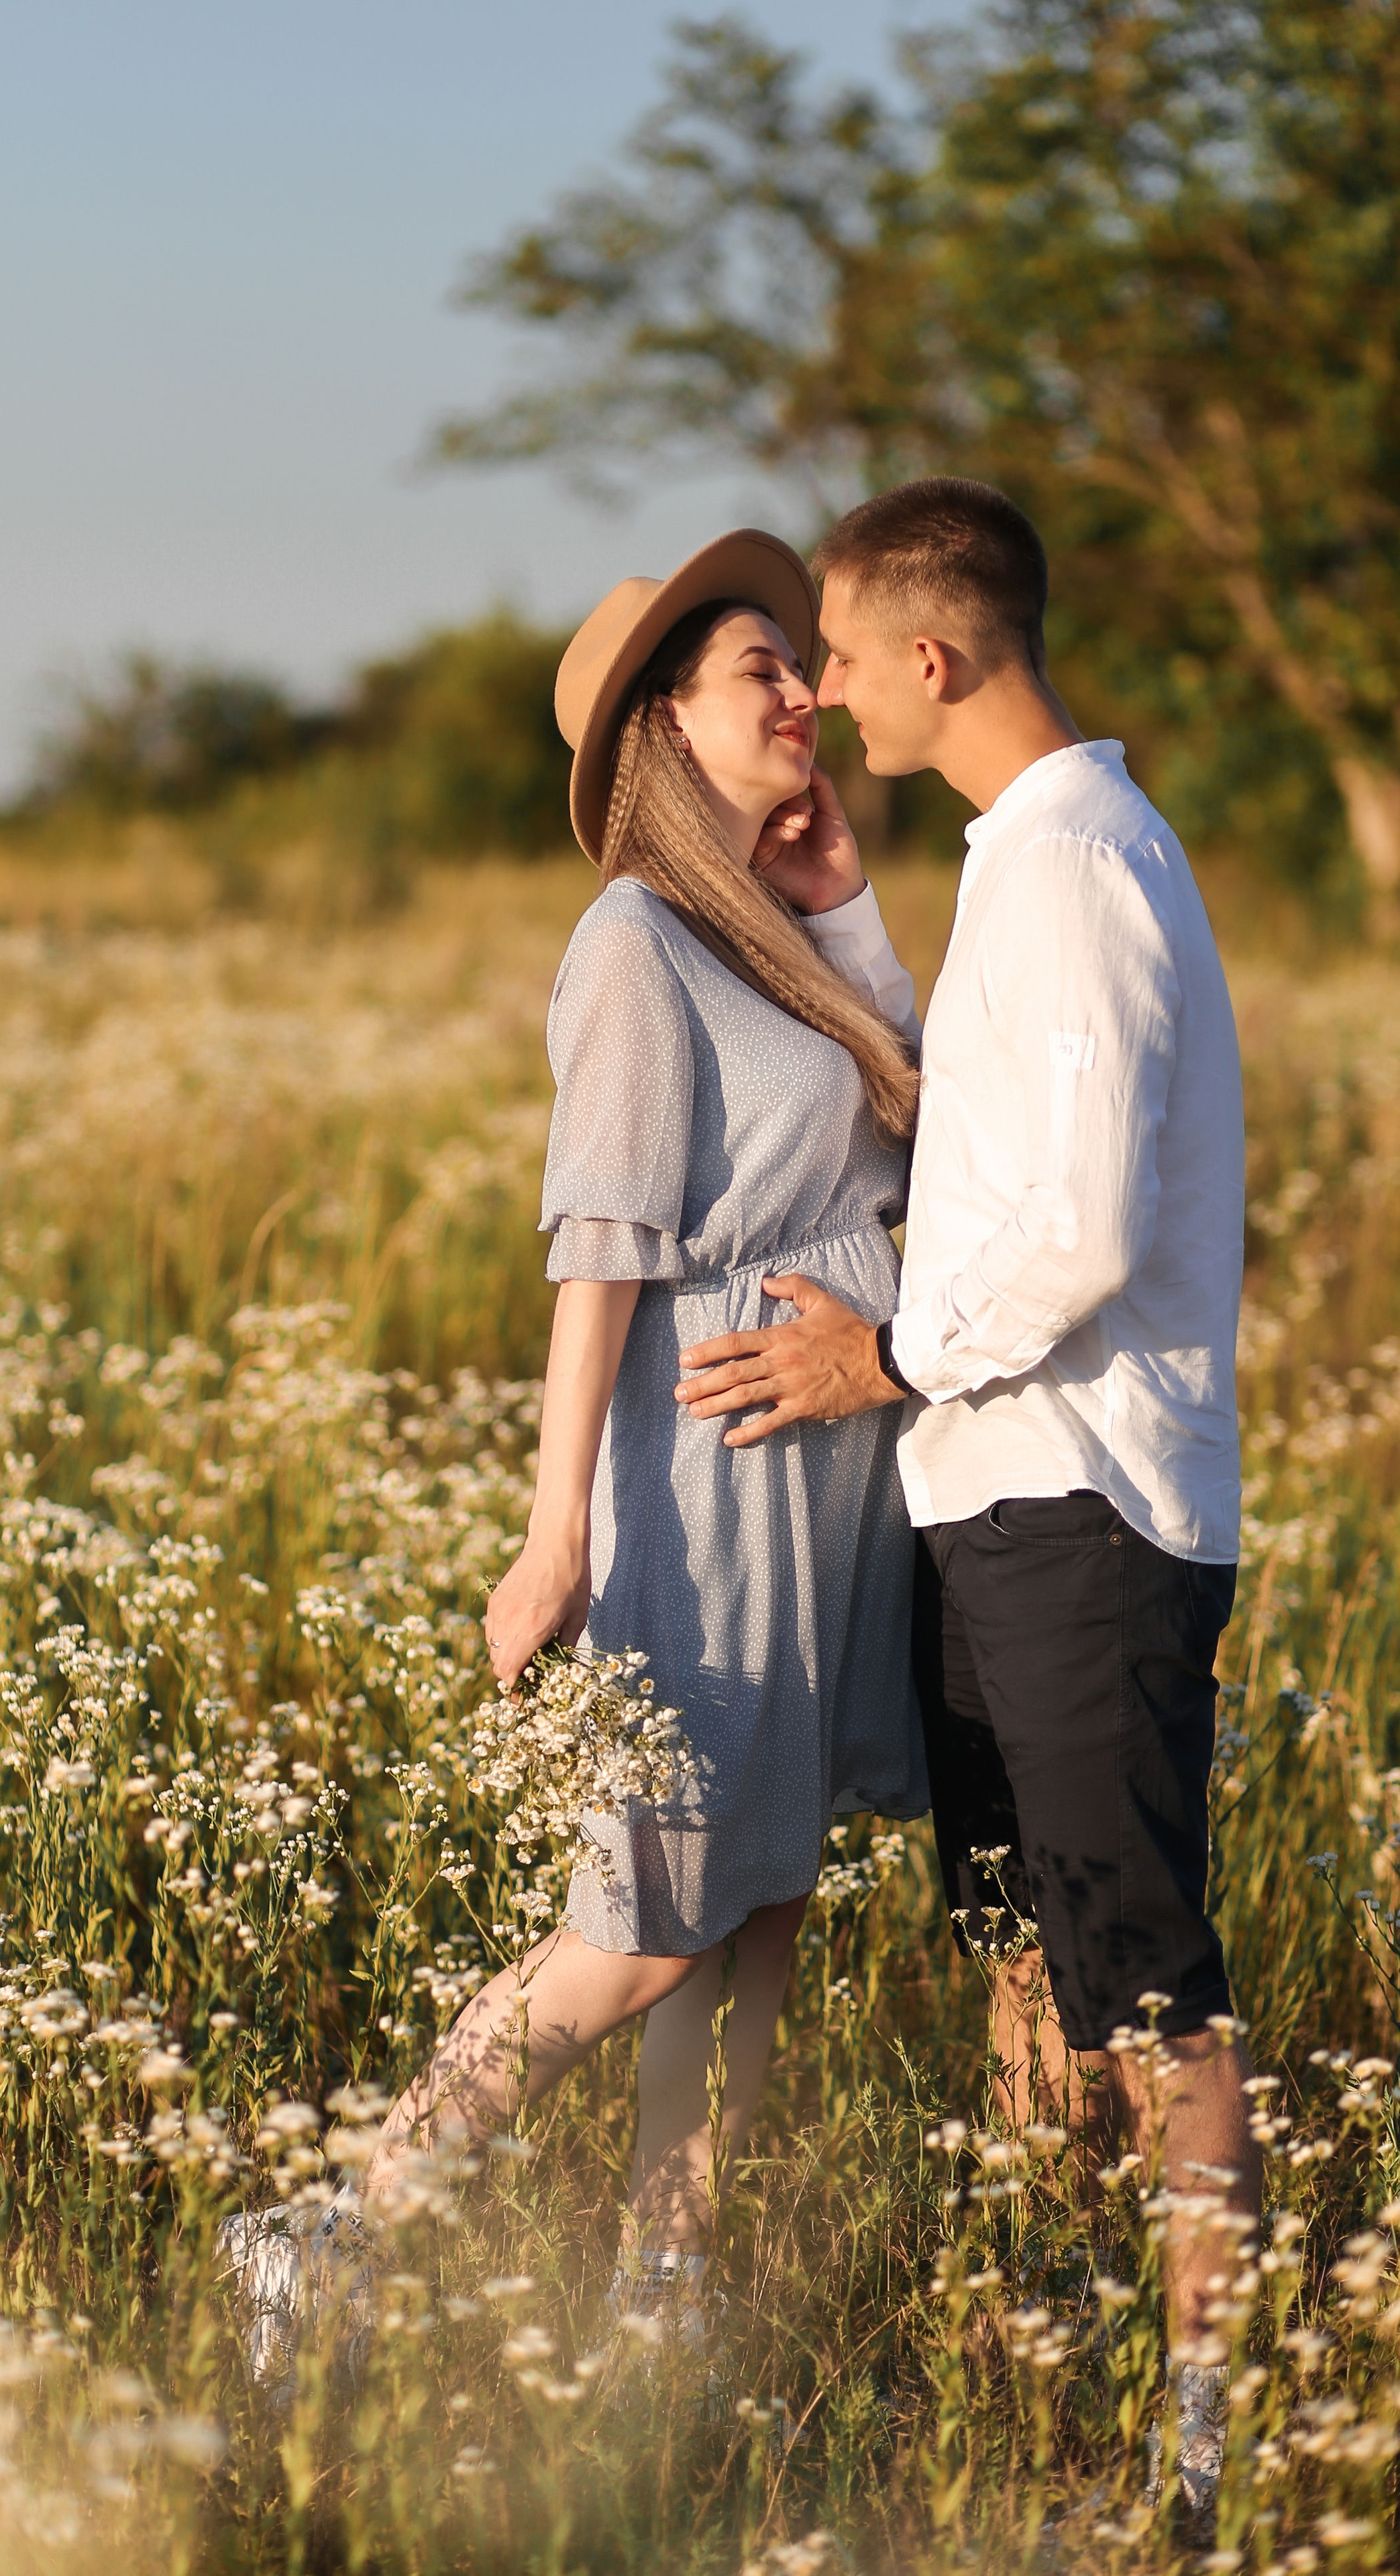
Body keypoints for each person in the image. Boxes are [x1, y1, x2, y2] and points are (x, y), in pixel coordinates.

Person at [674, 478, 1254, 2512]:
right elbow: (991, 1136)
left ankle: (1204, 2457)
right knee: (1025, 1952)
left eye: (833, 654)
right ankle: (1044, 2358)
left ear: (928, 660)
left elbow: (1078, 1225)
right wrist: (845, 912)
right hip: (995, 1495)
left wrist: (882, 1351)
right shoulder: (1027, 864)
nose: (820, 693)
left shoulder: (1089, 869)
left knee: (1154, 1989)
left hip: (1087, 1503)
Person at [367, 530, 928, 2325]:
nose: (804, 694)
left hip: (825, 1459)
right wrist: (557, 1538)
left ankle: (668, 2294)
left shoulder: (768, 931)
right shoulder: (632, 943)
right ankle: (344, 2229)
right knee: (649, 1907)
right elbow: (597, 1248)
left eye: (797, 664)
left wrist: (846, 913)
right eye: (761, 669)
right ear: (665, 731)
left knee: (757, 1905)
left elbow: (925, 1144)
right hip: (701, 1462)